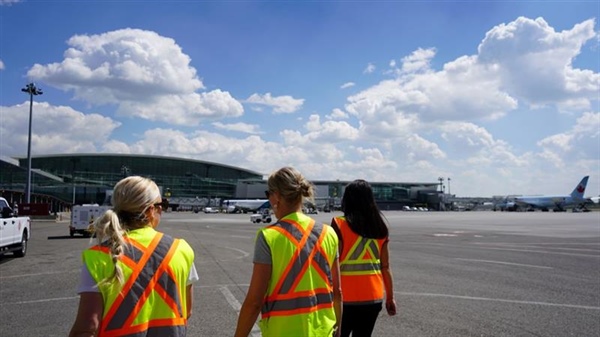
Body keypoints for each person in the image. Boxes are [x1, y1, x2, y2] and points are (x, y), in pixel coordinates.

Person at [69, 176, 198, 337]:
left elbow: (88, 327)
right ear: (151, 210)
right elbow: (187, 310)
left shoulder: (98, 256)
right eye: (162, 205)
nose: (162, 210)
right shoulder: (181, 249)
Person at [234, 166, 343, 337]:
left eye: (268, 194)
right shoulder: (328, 233)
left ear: (276, 196)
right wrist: (338, 331)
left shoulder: (269, 236)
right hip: (323, 331)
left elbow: (255, 301)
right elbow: (337, 292)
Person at [331, 179, 397, 337]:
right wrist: (390, 297)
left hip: (344, 298)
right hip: (372, 297)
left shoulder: (339, 224)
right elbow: (385, 267)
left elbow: (333, 262)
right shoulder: (381, 227)